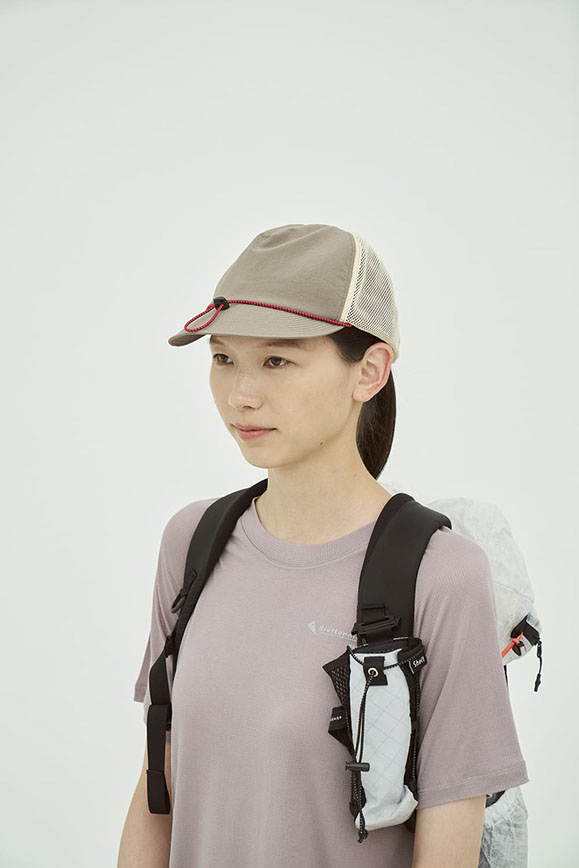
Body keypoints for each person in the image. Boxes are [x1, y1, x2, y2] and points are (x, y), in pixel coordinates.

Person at [118, 224, 529, 868]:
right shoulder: (192, 543)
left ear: (369, 371)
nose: (240, 395)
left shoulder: (441, 575)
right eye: (223, 358)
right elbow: (157, 793)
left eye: (276, 361)